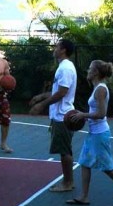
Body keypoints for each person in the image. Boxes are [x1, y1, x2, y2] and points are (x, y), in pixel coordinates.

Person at [65, 60, 113, 206]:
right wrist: (82, 114)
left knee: (107, 167)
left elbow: (101, 113)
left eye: (90, 68)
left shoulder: (100, 90)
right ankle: (84, 196)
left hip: (100, 134)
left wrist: (83, 115)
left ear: (96, 72)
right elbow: (95, 112)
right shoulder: (97, 88)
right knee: (85, 163)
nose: (88, 70)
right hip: (94, 133)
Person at [29, 39, 77, 192]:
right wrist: (41, 96)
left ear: (63, 50)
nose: (54, 49)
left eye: (57, 46)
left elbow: (62, 93)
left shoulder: (66, 68)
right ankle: (68, 181)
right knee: (65, 150)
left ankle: (68, 183)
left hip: (63, 116)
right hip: (61, 114)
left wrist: (42, 105)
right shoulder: (63, 67)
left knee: (64, 151)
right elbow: (59, 90)